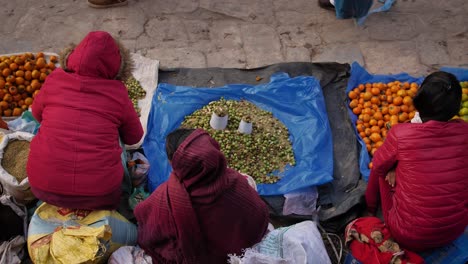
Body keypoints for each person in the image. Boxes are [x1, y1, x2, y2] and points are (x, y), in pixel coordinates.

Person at [27, 31, 144, 210]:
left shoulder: (54, 79)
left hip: (41, 187)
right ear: (118, 68)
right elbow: (134, 137)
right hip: (101, 195)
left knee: (45, 129)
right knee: (117, 138)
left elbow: (36, 114)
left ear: (72, 56)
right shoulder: (118, 92)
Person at [365, 71, 468, 252]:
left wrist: (392, 170)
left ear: (418, 102)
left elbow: (379, 167)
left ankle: (371, 208)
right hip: (454, 231)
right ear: (456, 108)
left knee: (381, 169)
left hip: (407, 234)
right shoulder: (464, 131)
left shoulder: (400, 133)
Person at [134, 128, 270, 263]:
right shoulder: (235, 179)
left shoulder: (168, 197)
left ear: (174, 162)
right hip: (243, 249)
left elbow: (147, 228)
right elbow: (258, 213)